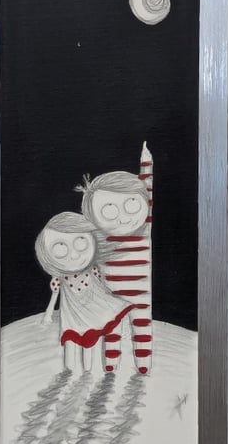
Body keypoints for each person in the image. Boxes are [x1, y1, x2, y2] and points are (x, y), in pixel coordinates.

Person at [78, 141, 153, 373]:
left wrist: (146, 161)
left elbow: (147, 186)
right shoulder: (100, 237)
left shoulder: (144, 228)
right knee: (112, 330)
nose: (123, 217)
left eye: (131, 205)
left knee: (142, 328)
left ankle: (143, 367)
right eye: (109, 211)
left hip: (141, 294)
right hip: (111, 293)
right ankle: (111, 367)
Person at [36, 212, 135, 372]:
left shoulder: (93, 269)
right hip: (71, 317)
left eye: (81, 242)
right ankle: (71, 372)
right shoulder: (60, 277)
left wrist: (111, 300)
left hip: (92, 314)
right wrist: (48, 314)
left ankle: (87, 372)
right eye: (60, 248)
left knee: (89, 349)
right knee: (70, 346)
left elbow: (101, 288)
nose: (74, 254)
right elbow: (55, 293)